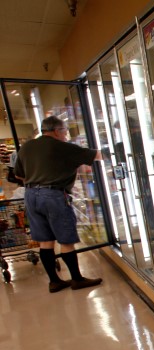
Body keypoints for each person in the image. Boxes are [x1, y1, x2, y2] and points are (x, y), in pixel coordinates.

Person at [14, 116, 103, 293]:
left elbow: (18, 175)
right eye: (64, 131)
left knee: (45, 241)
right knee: (66, 239)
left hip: (31, 195)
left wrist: (36, 183)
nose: (66, 134)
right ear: (56, 131)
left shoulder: (27, 147)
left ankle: (54, 281)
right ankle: (77, 279)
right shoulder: (61, 146)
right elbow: (96, 155)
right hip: (53, 195)